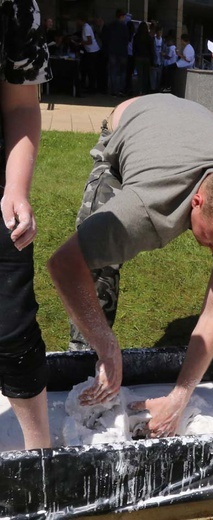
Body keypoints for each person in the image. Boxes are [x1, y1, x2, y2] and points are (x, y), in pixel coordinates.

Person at [48, 94, 213, 438]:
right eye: (210, 238)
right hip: (130, 121)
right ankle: (86, 358)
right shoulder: (143, 208)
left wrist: (181, 394)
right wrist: (105, 343)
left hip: (190, 125)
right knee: (95, 265)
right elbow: (64, 264)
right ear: (196, 202)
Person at [0, 0, 52, 450]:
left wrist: (16, 188)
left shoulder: (15, 8)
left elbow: (20, 104)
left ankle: (41, 455)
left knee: (12, 328)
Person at [104, 9, 129, 97]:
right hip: (122, 51)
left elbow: (106, 38)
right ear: (121, 17)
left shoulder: (110, 26)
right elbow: (127, 39)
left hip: (112, 51)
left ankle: (113, 90)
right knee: (122, 72)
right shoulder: (124, 27)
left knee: (113, 71)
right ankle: (121, 90)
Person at [132, 22, 153, 95]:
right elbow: (151, 49)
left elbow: (134, 48)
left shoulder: (136, 37)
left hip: (138, 57)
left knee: (139, 75)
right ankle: (145, 90)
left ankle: (139, 90)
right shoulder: (149, 37)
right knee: (146, 75)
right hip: (147, 58)